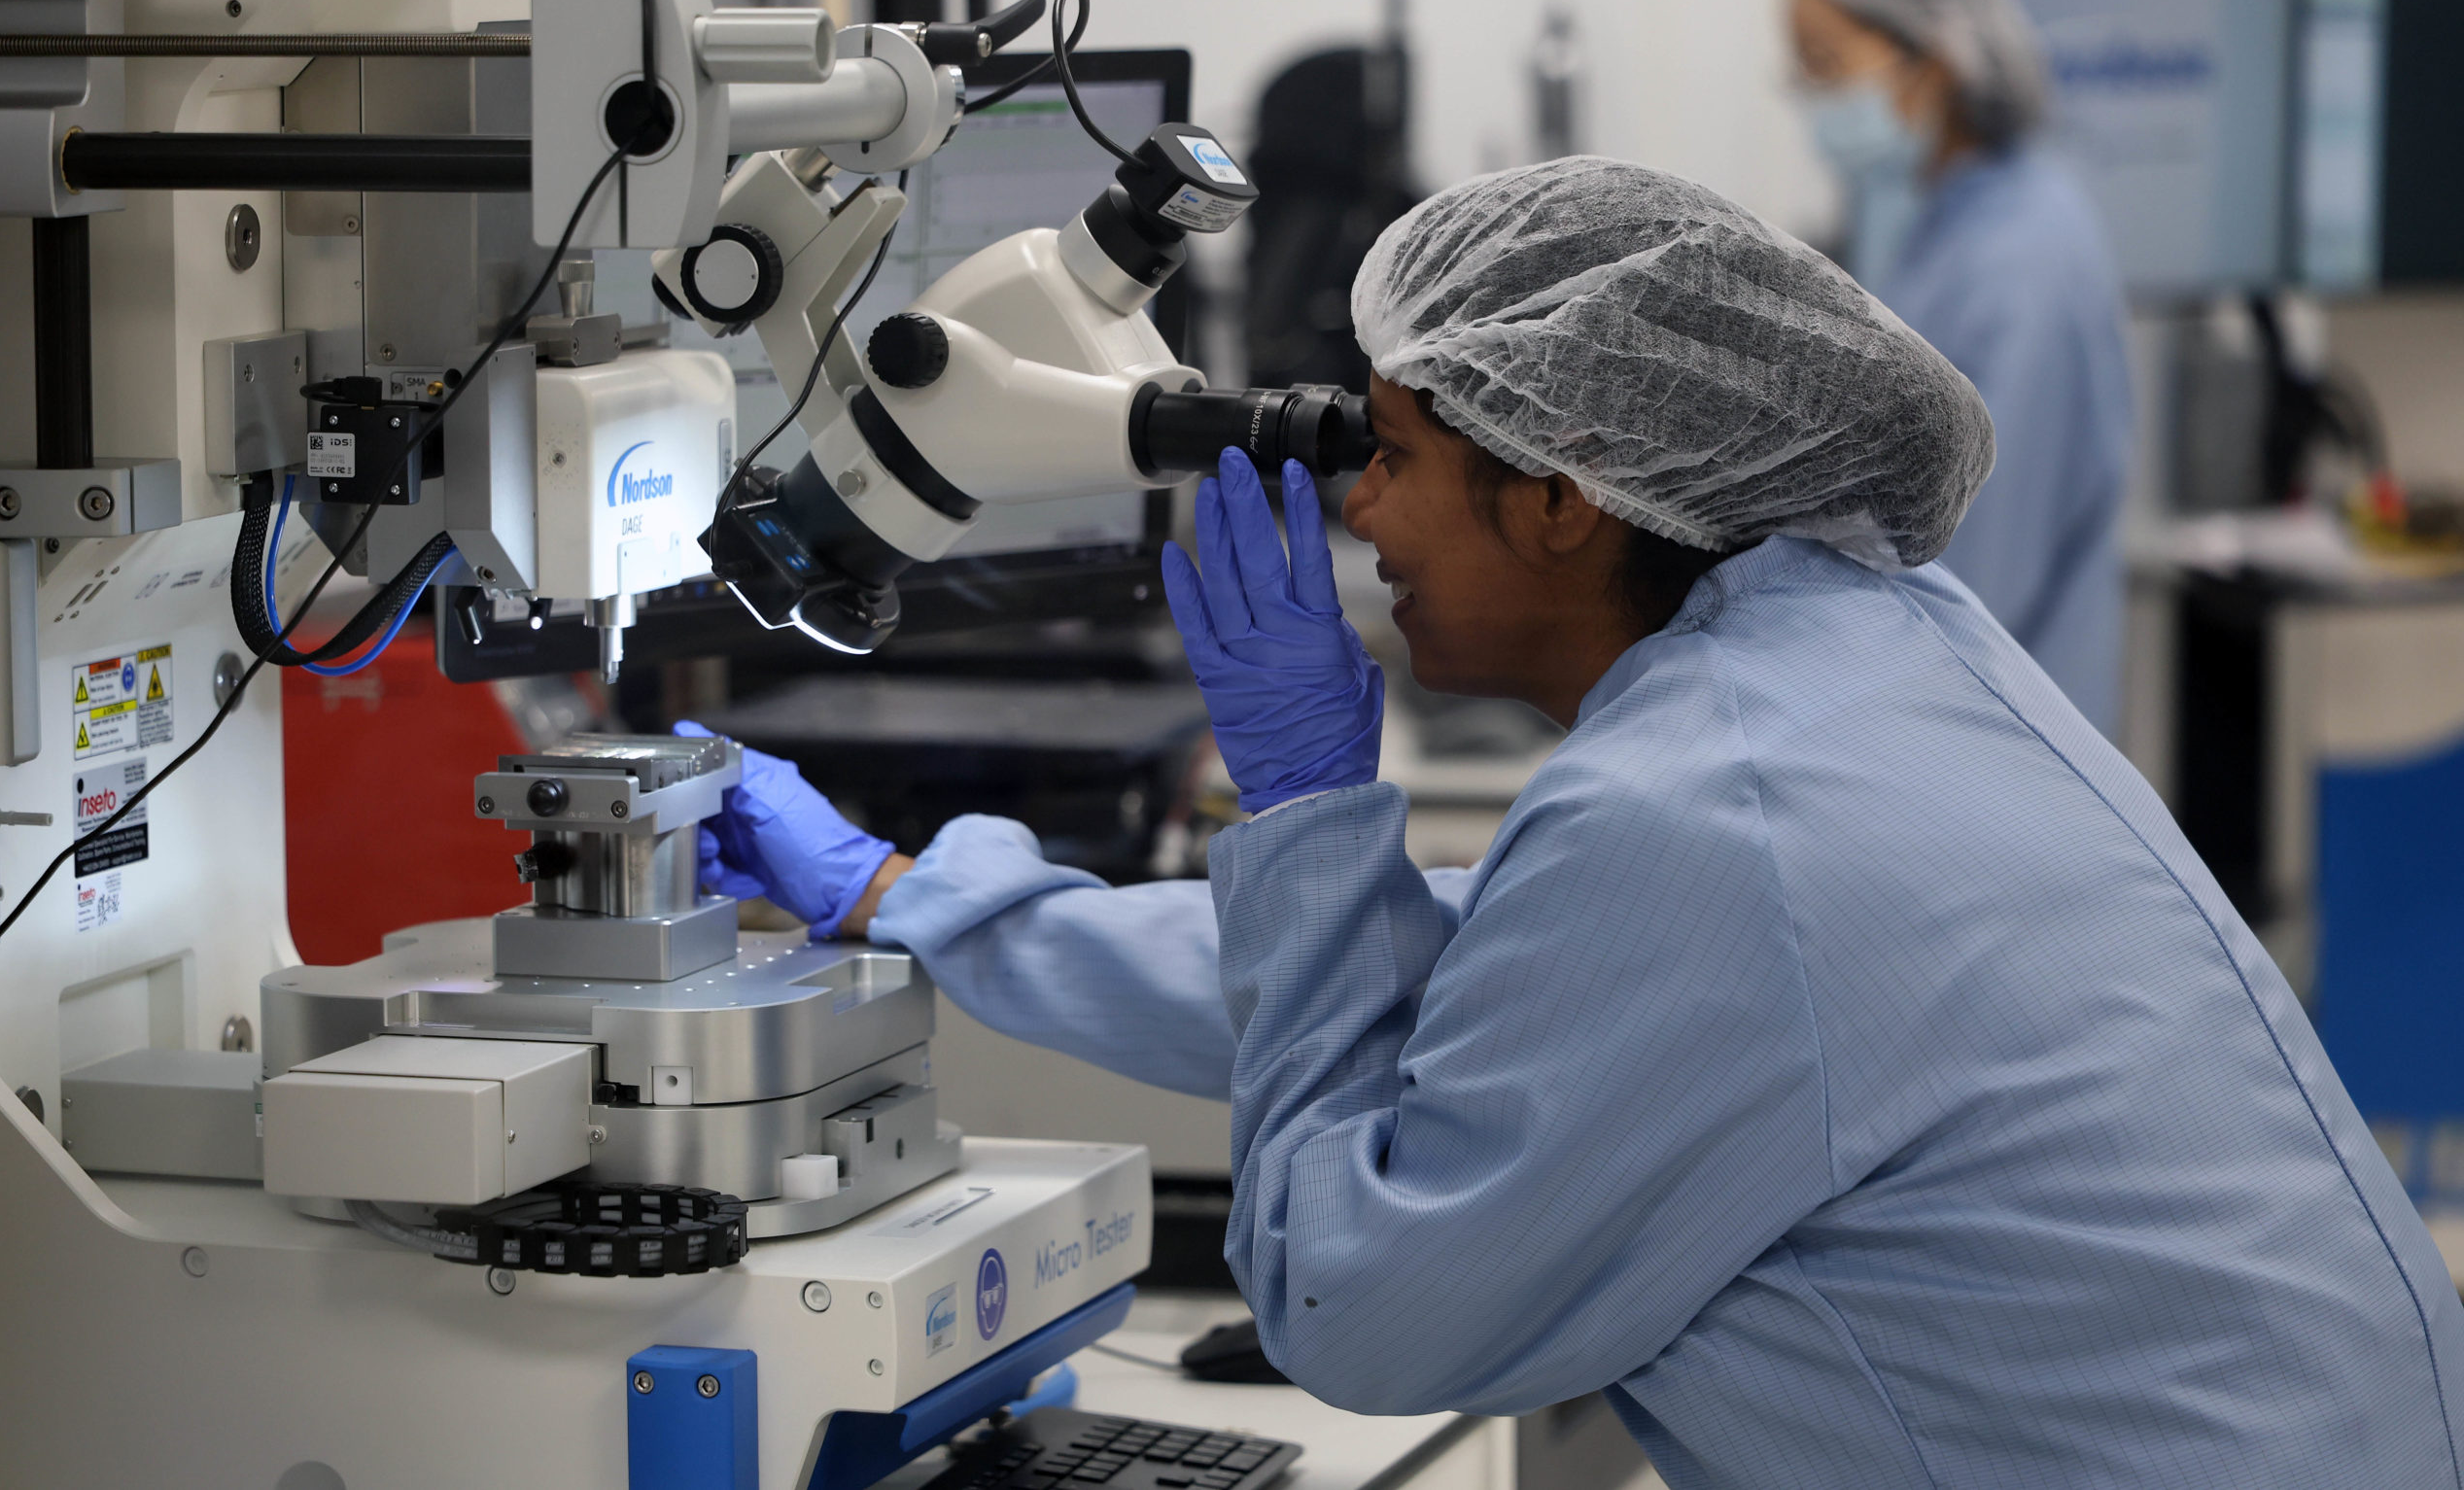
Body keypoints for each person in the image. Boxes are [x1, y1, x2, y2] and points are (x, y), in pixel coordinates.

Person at [686, 158, 2463, 1487]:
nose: (1358, 506)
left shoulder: (1710, 818)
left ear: (1556, 495)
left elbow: (1362, 1315)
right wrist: (919, 896)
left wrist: (1312, 807)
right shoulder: (1853, 660)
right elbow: (1485, 971)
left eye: (1389, 453)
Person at [1791, 0, 2134, 735]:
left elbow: (1977, 569)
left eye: (1829, 67)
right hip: (1953, 717)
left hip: (2004, 735)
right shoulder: (1943, 225)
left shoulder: (2023, 260)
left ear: (1933, 59)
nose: (1814, 102)